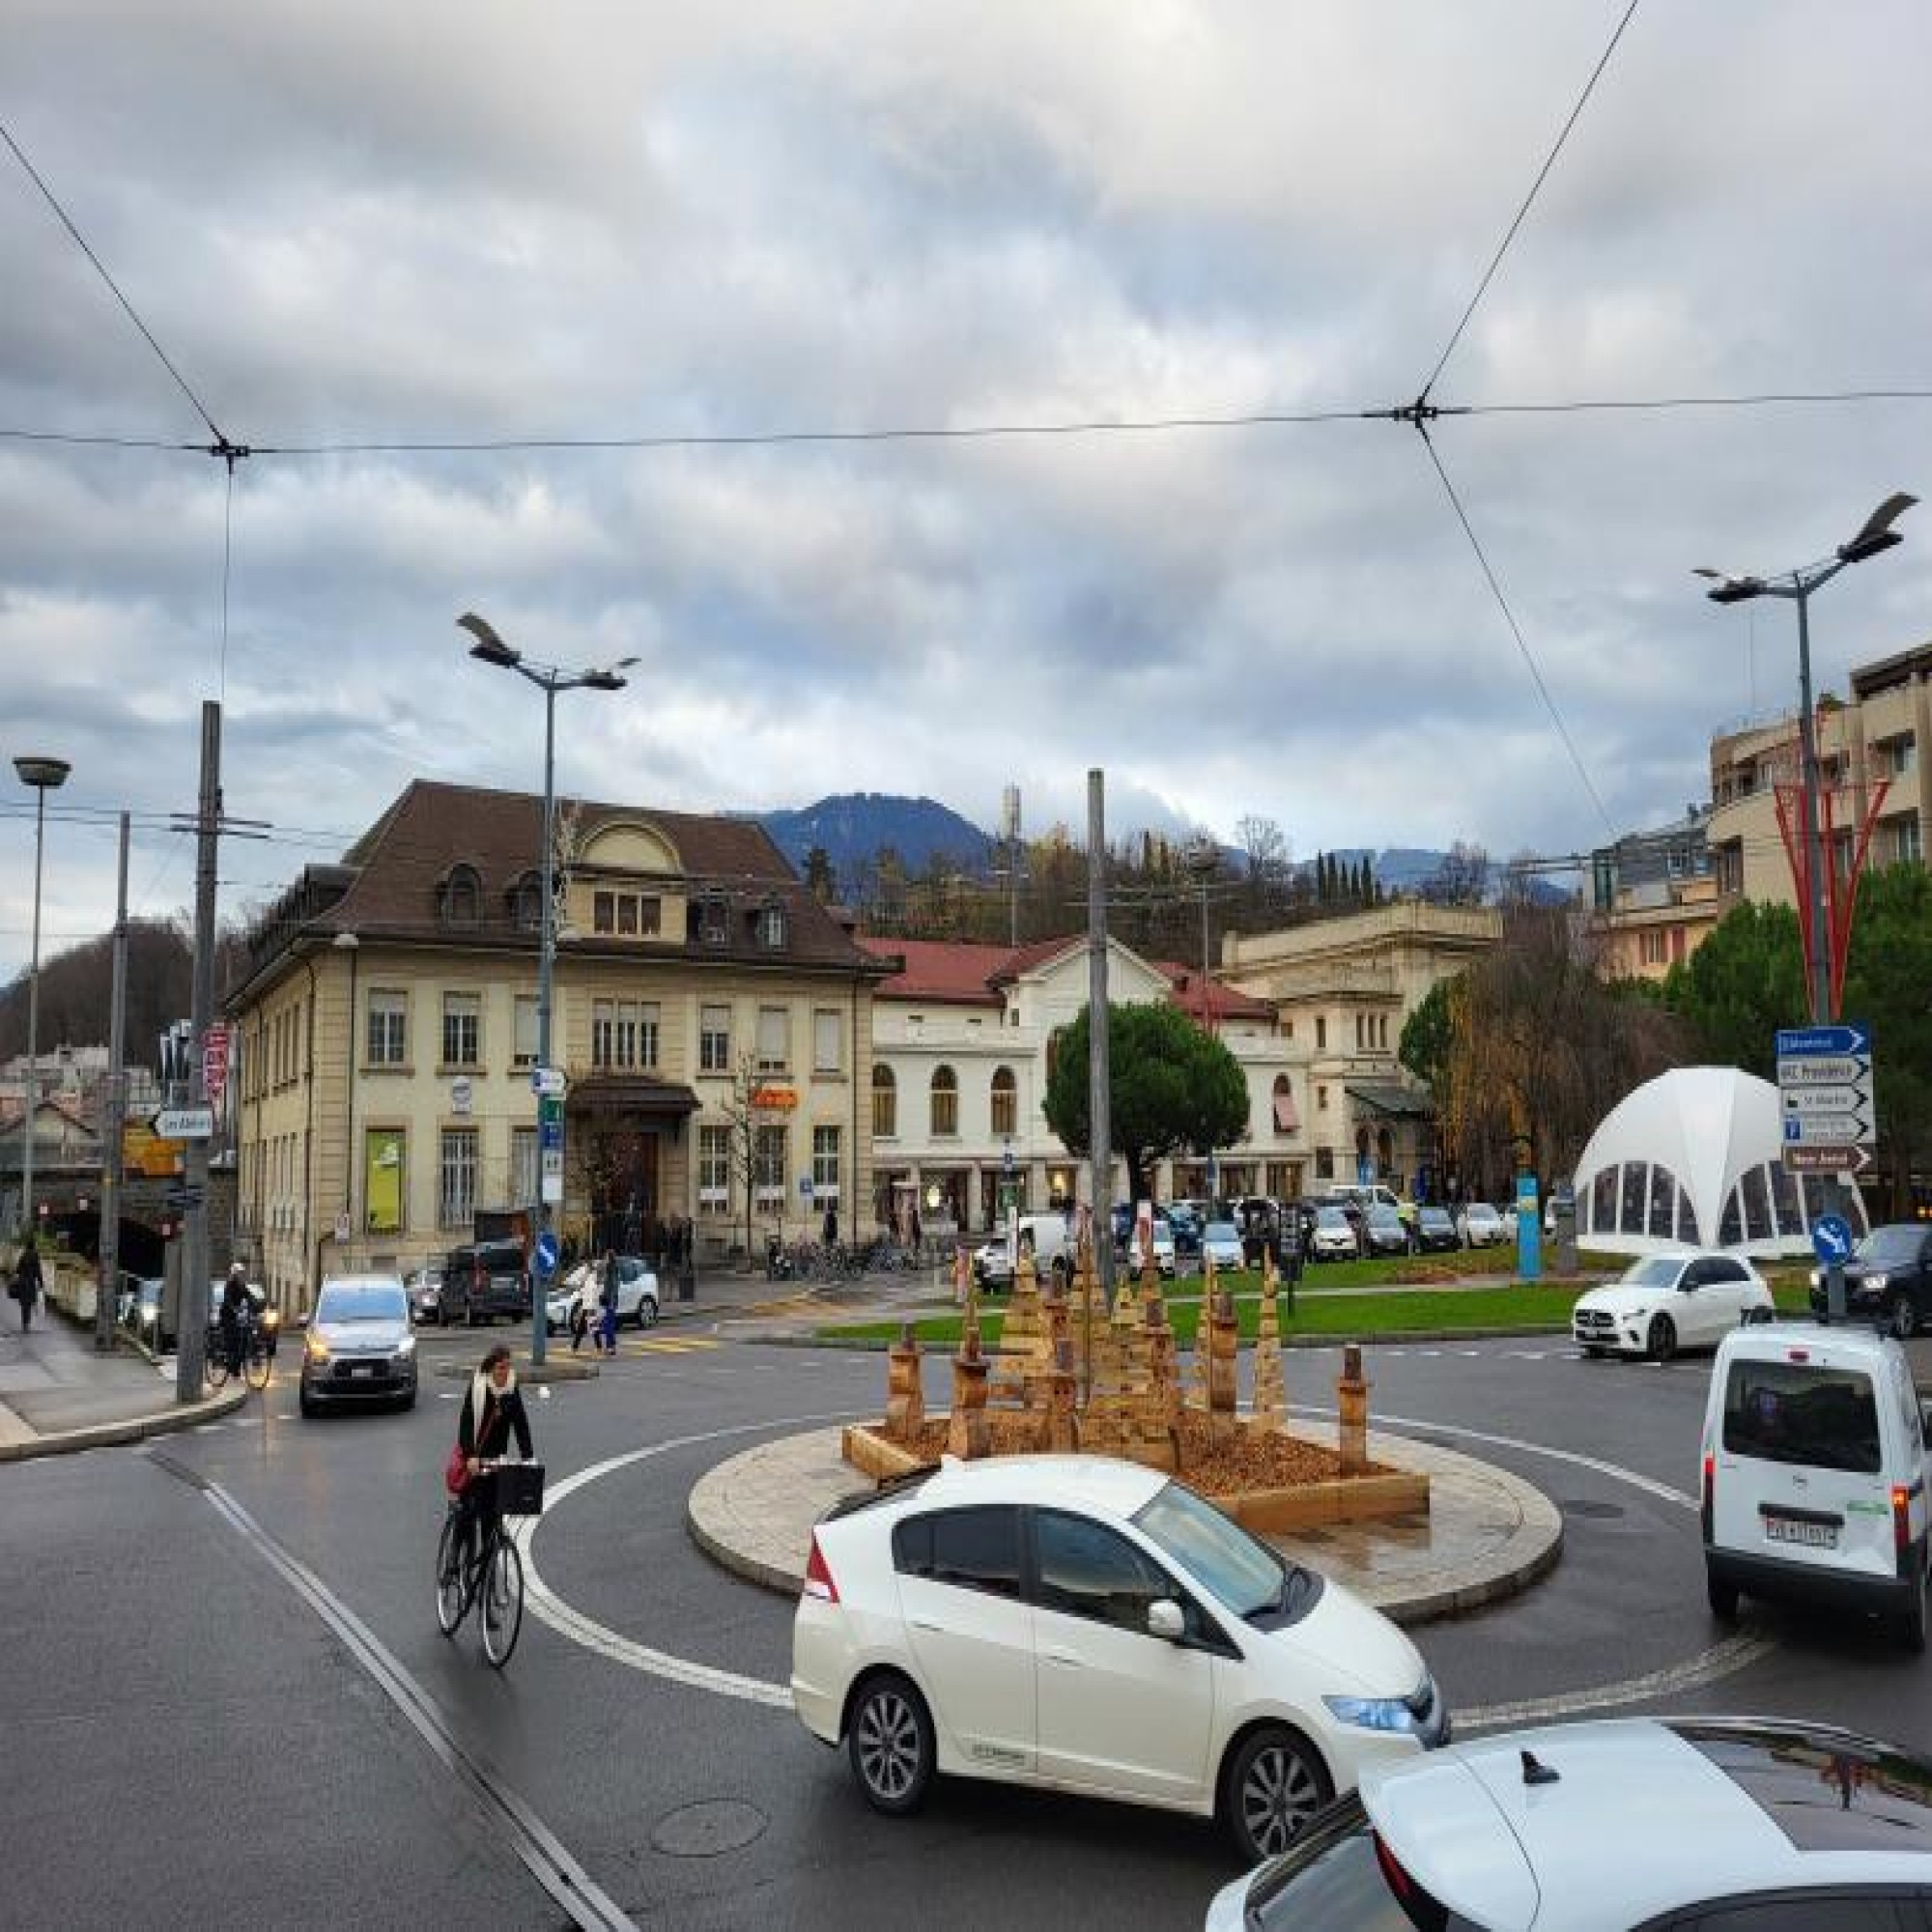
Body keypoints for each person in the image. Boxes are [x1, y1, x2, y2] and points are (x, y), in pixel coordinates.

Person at [449, 1342, 534, 1579]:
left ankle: (486, 1578)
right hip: (474, 1458)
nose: (504, 1372)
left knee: (491, 1517)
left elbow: (520, 1423)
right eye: (500, 1367)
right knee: (468, 1510)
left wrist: (529, 1457)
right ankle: (454, 1558)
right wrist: (470, 1456)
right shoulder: (478, 1386)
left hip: (496, 1459)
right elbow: (466, 1422)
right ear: (491, 1367)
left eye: (508, 1367)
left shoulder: (511, 1386)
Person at [218, 1264, 251, 1374]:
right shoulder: (229, 1284)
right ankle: (229, 1362)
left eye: (242, 1273)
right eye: (239, 1273)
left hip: (238, 1316)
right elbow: (227, 1298)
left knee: (243, 1340)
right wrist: (233, 1308)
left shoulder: (242, 1286)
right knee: (232, 1340)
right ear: (234, 1274)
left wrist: (258, 1306)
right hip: (227, 1315)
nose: (241, 1275)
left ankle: (236, 1366)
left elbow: (249, 1296)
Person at [11, 1236, 43, 1333]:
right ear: (33, 1245)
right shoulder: (35, 1255)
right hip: (30, 1282)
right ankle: (27, 1323)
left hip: (22, 1282)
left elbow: (18, 1270)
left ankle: (24, 1323)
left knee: (24, 1304)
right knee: (28, 1303)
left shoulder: (23, 1255)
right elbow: (38, 1270)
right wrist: (41, 1283)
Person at [595, 1250, 619, 1357]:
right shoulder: (608, 1270)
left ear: (609, 1258)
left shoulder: (612, 1271)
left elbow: (613, 1287)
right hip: (608, 1300)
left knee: (608, 1325)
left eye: (606, 1257)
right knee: (608, 1324)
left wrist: (612, 1302)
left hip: (610, 1301)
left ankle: (611, 1347)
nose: (604, 1259)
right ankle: (611, 1347)